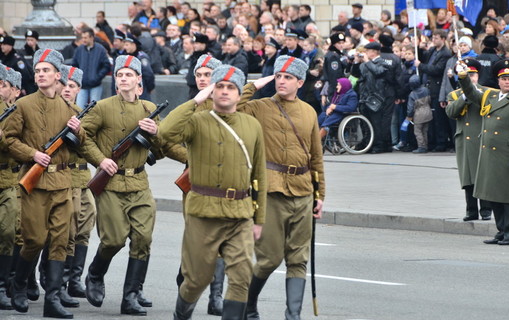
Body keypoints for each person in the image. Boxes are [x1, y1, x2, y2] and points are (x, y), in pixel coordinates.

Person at [80, 55, 186, 316]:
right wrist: (100, 160)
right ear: (115, 80)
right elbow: (83, 136)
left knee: (143, 239)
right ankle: (95, 272)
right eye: (120, 75)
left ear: (139, 80)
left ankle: (131, 296)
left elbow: (163, 148)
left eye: (129, 74)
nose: (124, 78)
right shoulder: (103, 107)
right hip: (111, 184)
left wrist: (156, 133)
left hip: (139, 183)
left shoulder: (149, 108)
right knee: (113, 239)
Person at [160, 64, 267, 320]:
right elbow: (166, 132)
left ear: (240, 94)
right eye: (219, 86)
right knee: (197, 279)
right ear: (211, 90)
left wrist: (259, 219)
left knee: (241, 276)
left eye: (231, 87)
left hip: (239, 214)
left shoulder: (252, 126)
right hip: (202, 213)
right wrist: (196, 100)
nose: (225, 92)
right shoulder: (196, 121)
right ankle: (181, 315)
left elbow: (259, 175)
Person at [237, 56, 325, 320]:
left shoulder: (309, 111)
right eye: (278, 76)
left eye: (288, 77)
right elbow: (234, 105)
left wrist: (320, 195)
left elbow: (316, 157)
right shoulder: (260, 107)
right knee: (269, 258)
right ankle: (248, 304)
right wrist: (258, 83)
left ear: (300, 82)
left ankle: (293, 316)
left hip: (303, 191)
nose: (282, 81)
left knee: (298, 259)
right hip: (271, 192)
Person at [4, 48, 85, 318]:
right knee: (34, 239)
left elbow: (81, 147)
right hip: (35, 184)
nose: (40, 75)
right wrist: (32, 154)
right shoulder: (24, 105)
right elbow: (9, 139)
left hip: (62, 182)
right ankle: (18, 285)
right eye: (37, 71)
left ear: (58, 75)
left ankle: (52, 301)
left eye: (46, 70)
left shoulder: (69, 108)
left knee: (60, 241)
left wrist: (78, 130)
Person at [458, 59, 509, 245]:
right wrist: (462, 76)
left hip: (506, 153)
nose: (507, 82)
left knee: (508, 196)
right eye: (504, 78)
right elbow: (470, 92)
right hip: (489, 154)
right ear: (498, 81)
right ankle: (501, 231)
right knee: (493, 195)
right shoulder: (490, 96)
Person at [58, 66, 98, 298]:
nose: (67, 89)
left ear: (78, 89)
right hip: (65, 177)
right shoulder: (56, 112)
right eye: (65, 84)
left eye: (72, 86)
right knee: (67, 231)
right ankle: (58, 280)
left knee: (85, 226)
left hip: (83, 178)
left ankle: (74, 279)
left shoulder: (82, 114)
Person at [445, 58, 493, 221]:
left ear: (478, 76)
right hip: (464, 138)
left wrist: (475, 94)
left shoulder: (487, 92)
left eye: (473, 74)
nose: (471, 77)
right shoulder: (454, 94)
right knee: (468, 176)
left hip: (481, 136)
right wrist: (464, 97)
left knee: (483, 173)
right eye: (468, 74)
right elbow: (451, 112)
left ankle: (486, 208)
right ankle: (471, 209)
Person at [0, 65, 21, 311]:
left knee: (8, 233)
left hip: (8, 179)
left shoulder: (14, 113)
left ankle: (4, 286)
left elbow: (18, 146)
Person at [351, 41, 394, 153]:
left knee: (376, 123)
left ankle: (379, 145)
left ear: (374, 52)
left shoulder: (382, 63)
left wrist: (366, 61)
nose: (365, 53)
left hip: (376, 97)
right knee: (366, 123)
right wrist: (356, 62)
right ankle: (368, 143)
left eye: (367, 51)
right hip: (365, 96)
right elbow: (355, 74)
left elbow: (378, 72)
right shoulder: (365, 64)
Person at [415, 29, 453, 152]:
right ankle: (432, 141)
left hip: (436, 87)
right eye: (433, 37)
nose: (434, 40)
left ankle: (441, 142)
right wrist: (419, 49)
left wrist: (420, 66)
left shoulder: (445, 53)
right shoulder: (432, 50)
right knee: (431, 117)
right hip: (428, 86)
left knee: (439, 118)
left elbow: (436, 69)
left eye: (436, 38)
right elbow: (424, 58)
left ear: (443, 39)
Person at [72, 27, 111, 108]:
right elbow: (74, 65)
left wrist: (97, 77)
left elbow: (106, 66)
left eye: (85, 38)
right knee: (79, 109)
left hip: (96, 85)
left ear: (92, 37)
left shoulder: (100, 49)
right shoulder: (79, 50)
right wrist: (78, 79)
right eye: (82, 38)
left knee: (95, 110)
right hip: (82, 86)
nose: (83, 40)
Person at [123, 33, 155, 101]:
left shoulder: (141, 57)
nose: (125, 47)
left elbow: (148, 74)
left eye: (127, 45)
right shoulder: (127, 57)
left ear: (133, 45)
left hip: (141, 91)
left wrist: (150, 88)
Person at [406, 74, 432, 154]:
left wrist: (409, 116)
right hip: (428, 112)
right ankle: (425, 146)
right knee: (425, 130)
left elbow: (410, 108)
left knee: (418, 131)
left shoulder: (412, 94)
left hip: (418, 115)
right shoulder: (426, 90)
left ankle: (421, 147)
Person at [320, 33, 346, 104]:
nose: (341, 45)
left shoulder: (337, 54)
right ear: (334, 44)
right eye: (339, 43)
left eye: (343, 42)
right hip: (335, 88)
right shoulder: (333, 56)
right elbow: (334, 75)